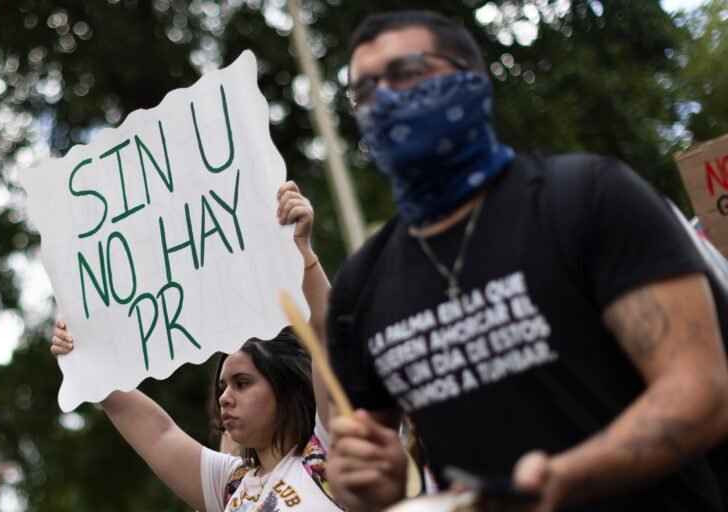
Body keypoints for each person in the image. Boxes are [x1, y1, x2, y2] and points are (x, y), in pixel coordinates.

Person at [324, 10, 728, 512]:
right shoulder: (358, 290)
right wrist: (367, 485)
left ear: (472, 82)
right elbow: (366, 477)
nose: (383, 99)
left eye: (407, 73)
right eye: (364, 91)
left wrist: (566, 477)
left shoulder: (590, 198)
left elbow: (702, 390)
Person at [52, 181, 345, 512]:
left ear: (288, 386)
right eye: (222, 386)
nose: (224, 397)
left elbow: (328, 337)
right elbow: (158, 434)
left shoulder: (329, 453)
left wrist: (303, 253)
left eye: (242, 383)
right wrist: (84, 352)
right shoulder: (230, 485)